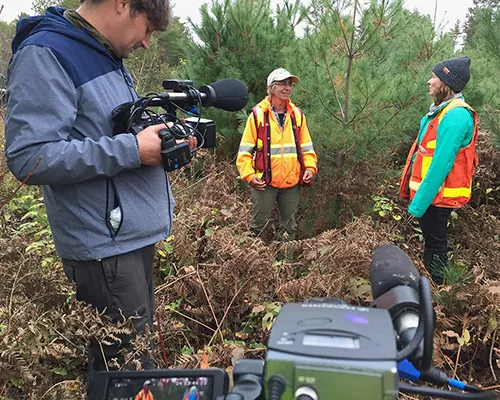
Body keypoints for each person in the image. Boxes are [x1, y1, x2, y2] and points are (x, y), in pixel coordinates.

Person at [4, 0, 194, 396]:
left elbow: (106, 130)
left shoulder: (102, 52)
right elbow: (30, 156)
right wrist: (133, 150)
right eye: (147, 29)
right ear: (123, 4)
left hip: (127, 239)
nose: (146, 43)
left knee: (131, 363)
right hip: (104, 248)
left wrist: (159, 140)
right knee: (126, 373)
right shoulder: (48, 52)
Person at [399, 56, 478, 284]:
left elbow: (440, 166)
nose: (429, 81)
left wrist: (417, 205)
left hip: (438, 196)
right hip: (432, 195)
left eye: (434, 77)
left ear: (446, 84)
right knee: (432, 243)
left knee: (435, 244)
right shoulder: (442, 111)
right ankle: (433, 286)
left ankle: (436, 288)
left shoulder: (455, 115)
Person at [236, 68, 318, 241]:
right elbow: (244, 151)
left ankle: (284, 265)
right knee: (258, 227)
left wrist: (310, 168)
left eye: (289, 84)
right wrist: (249, 176)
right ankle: (257, 264)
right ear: (271, 88)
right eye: (282, 84)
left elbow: (307, 147)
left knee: (289, 228)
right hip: (264, 182)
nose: (287, 88)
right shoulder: (258, 115)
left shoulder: (297, 115)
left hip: (291, 182)